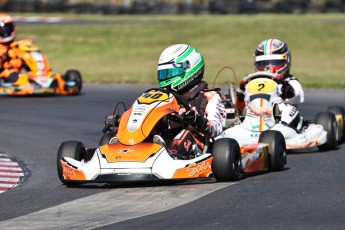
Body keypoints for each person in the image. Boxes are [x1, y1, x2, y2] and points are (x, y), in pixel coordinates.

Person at [157, 44, 226, 159]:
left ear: (189, 69)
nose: (166, 78)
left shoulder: (209, 96)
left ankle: (170, 155)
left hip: (196, 145)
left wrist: (196, 120)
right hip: (165, 137)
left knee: (185, 133)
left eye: (170, 73)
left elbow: (216, 128)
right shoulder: (162, 98)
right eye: (164, 73)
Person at [236, 38, 305, 132]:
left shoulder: (290, 81)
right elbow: (241, 104)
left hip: (278, 119)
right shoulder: (251, 82)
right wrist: (240, 97)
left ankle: (283, 130)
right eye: (263, 63)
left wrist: (288, 90)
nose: (268, 67)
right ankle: (240, 129)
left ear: (286, 60)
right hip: (253, 117)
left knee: (289, 109)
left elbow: (298, 97)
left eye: (275, 62)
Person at [0, 13, 23, 83]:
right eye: (2, 29)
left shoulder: (15, 46)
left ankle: (43, 74)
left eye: (7, 28)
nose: (4, 31)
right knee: (9, 72)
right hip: (6, 73)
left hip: (17, 71)